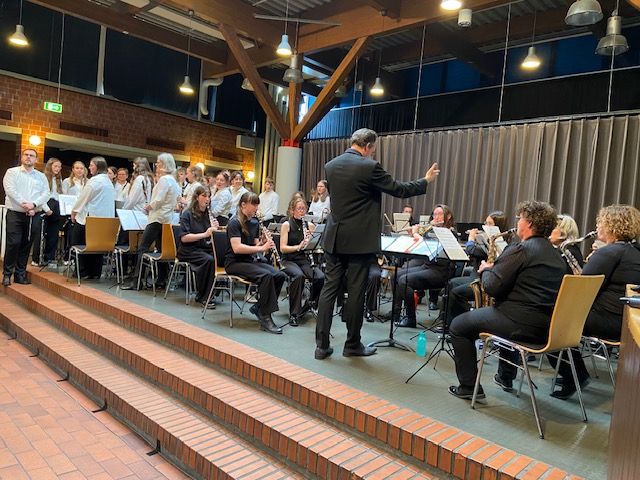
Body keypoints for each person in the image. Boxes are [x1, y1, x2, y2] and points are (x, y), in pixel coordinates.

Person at [315, 128, 440, 360]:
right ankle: (352, 345)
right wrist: (425, 180)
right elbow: (399, 189)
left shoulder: (330, 166)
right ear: (368, 146)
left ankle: (321, 346)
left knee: (329, 290)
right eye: (373, 149)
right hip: (359, 241)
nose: (372, 153)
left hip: (334, 237)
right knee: (356, 293)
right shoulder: (370, 166)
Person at [448, 200, 566, 399]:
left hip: (520, 324)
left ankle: (468, 387)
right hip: (548, 327)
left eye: (520, 218)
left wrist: (487, 270)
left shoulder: (521, 249)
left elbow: (491, 287)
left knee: (458, 326)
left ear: (529, 223)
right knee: (500, 315)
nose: (517, 222)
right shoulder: (556, 255)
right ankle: (505, 376)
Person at [549, 205, 640, 399]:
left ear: (612, 225)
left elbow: (581, 290)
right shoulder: (634, 251)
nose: (597, 226)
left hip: (610, 321)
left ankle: (574, 376)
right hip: (626, 320)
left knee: (550, 320)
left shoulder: (609, 252)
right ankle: (575, 372)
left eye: (600, 222)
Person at [225, 192, 286, 334]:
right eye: (254, 204)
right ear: (243, 205)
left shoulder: (253, 223)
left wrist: (263, 242)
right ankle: (265, 317)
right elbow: (237, 248)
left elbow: (253, 246)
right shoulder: (234, 222)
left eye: (257, 205)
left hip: (249, 260)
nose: (256, 208)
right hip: (234, 262)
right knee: (266, 276)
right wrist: (261, 248)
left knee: (279, 275)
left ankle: (259, 307)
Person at [121, 153, 181, 290]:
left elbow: (159, 199)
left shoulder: (164, 180)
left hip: (156, 218)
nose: (157, 165)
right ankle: (161, 280)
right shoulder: (173, 180)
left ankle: (137, 281)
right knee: (161, 250)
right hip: (166, 219)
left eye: (159, 162)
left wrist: (149, 206)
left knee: (142, 248)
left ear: (164, 164)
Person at [391, 204, 457, 327]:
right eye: (434, 214)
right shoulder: (432, 230)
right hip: (428, 266)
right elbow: (422, 248)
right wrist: (413, 234)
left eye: (440, 214)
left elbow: (429, 246)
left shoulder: (450, 232)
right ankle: (396, 313)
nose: (436, 217)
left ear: (448, 216)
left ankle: (411, 318)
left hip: (442, 271)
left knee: (404, 281)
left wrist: (417, 235)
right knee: (396, 275)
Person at [444, 210, 511, 325]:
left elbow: (471, 250)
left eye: (490, 224)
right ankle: (446, 321)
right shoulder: (485, 239)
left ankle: (459, 323)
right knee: (451, 283)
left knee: (456, 292)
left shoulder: (497, 243)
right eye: (486, 223)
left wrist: (471, 238)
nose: (485, 226)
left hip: (484, 279)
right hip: (476, 275)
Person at [2, 148, 51, 286]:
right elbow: (10, 190)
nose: (29, 157)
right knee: (13, 243)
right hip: (15, 213)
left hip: (34, 214)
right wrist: (25, 205)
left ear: (36, 159)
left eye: (32, 155)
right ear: (22, 157)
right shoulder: (12, 172)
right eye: (26, 155)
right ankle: (7, 274)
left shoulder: (41, 176)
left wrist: (33, 205)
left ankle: (20, 274)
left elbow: (46, 193)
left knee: (26, 244)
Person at [280, 196, 325, 326]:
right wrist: (298, 246)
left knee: (320, 277)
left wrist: (310, 241)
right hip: (288, 260)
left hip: (303, 260)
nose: (302, 211)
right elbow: (283, 248)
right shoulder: (286, 225)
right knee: (298, 276)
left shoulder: (309, 225)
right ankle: (294, 314)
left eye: (303, 209)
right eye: (299, 208)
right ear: (292, 210)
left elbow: (315, 246)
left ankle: (309, 304)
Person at [70, 157, 116, 279]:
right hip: (104, 221)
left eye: (91, 165)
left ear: (98, 167)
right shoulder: (108, 182)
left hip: (89, 219)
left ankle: (82, 271)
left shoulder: (94, 181)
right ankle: (95, 272)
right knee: (97, 247)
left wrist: (74, 212)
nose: (89, 167)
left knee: (78, 243)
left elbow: (83, 198)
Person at [177, 185, 219, 309]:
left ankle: (212, 292)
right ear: (196, 197)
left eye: (209, 196)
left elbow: (211, 238)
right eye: (204, 196)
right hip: (188, 249)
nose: (207, 199)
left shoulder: (209, 214)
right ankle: (203, 296)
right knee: (209, 260)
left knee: (219, 258)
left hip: (203, 248)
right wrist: (205, 234)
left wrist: (216, 229)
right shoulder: (187, 214)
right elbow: (184, 238)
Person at [31, 158, 64, 266]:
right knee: (40, 234)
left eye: (59, 167)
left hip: (56, 206)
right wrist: (47, 209)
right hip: (45, 206)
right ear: (50, 166)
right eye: (55, 166)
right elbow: (40, 195)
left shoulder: (59, 180)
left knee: (53, 235)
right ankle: (37, 259)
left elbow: (59, 195)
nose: (58, 169)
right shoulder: (43, 177)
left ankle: (49, 258)